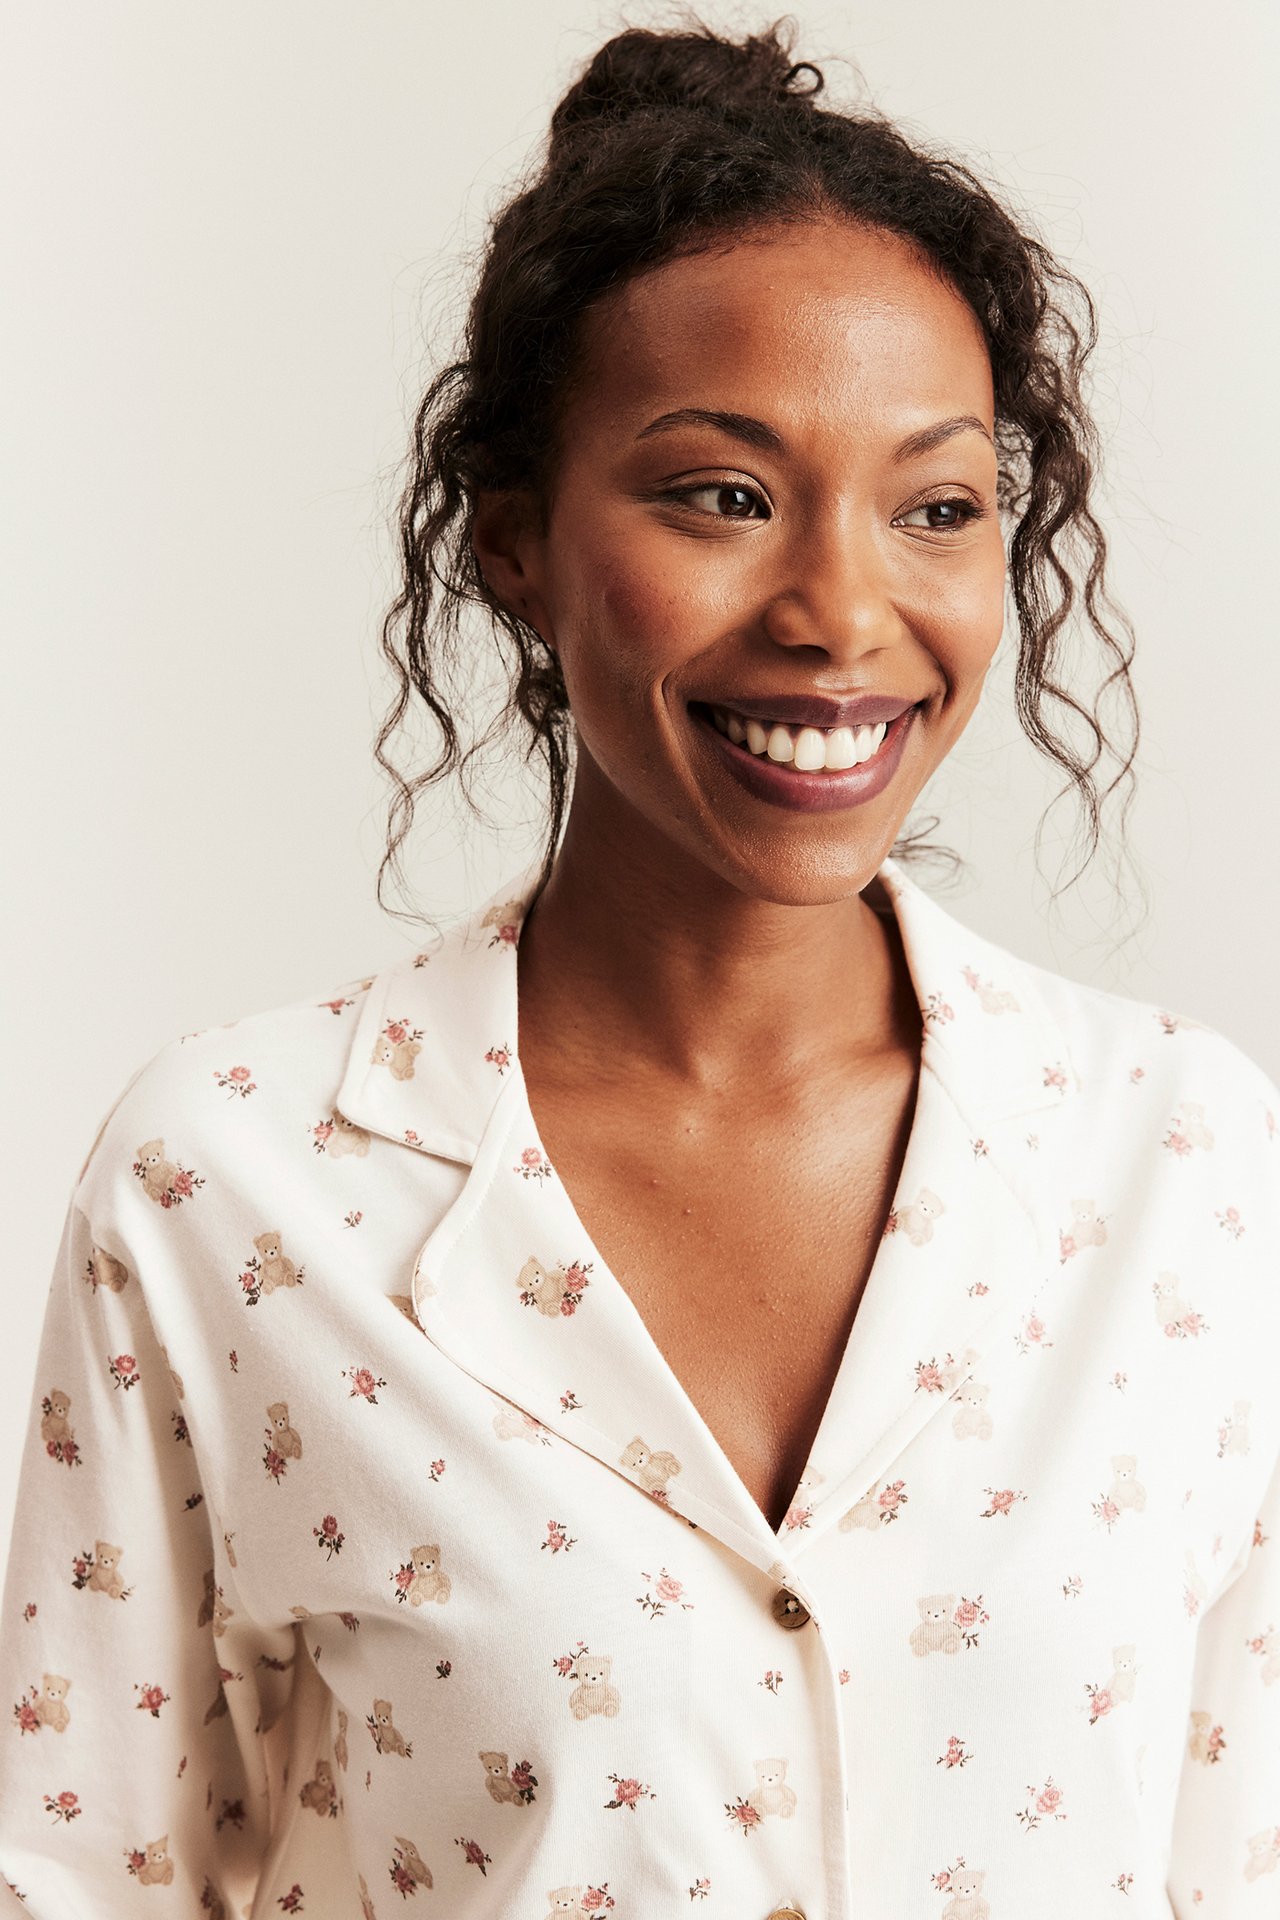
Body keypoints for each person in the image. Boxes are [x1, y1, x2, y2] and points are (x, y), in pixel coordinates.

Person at [2, 17, 1277, 1920]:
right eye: (722, 496)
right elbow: (80, 1873)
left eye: (937, 507)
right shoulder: (237, 1184)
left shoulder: (1182, 1161)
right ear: (515, 540)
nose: (842, 611)